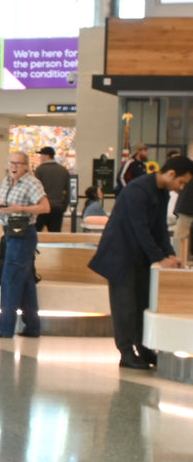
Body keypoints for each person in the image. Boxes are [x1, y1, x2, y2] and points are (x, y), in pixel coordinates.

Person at [89, 156, 193, 370]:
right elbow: (140, 228)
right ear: (171, 174)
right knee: (125, 305)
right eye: (181, 182)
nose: (181, 188)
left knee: (142, 302)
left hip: (139, 256)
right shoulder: (138, 189)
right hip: (120, 255)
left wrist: (170, 255)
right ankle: (126, 353)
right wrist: (160, 258)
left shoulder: (162, 192)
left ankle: (143, 348)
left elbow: (160, 229)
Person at [0, 151, 49, 339]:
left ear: (26, 166)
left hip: (24, 234)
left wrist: (21, 209)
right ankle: (33, 327)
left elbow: (45, 207)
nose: (14, 166)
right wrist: (0, 207)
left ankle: (5, 329)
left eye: (18, 163)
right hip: (9, 232)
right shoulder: (7, 181)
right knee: (25, 282)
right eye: (11, 162)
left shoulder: (32, 183)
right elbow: (3, 203)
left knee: (11, 279)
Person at [33, 146, 70, 233]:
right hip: (57, 208)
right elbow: (68, 191)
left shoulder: (39, 170)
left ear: (47, 156)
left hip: (41, 208)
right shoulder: (63, 170)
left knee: (36, 234)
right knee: (55, 235)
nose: (40, 157)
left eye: (41, 155)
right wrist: (64, 206)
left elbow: (34, 189)